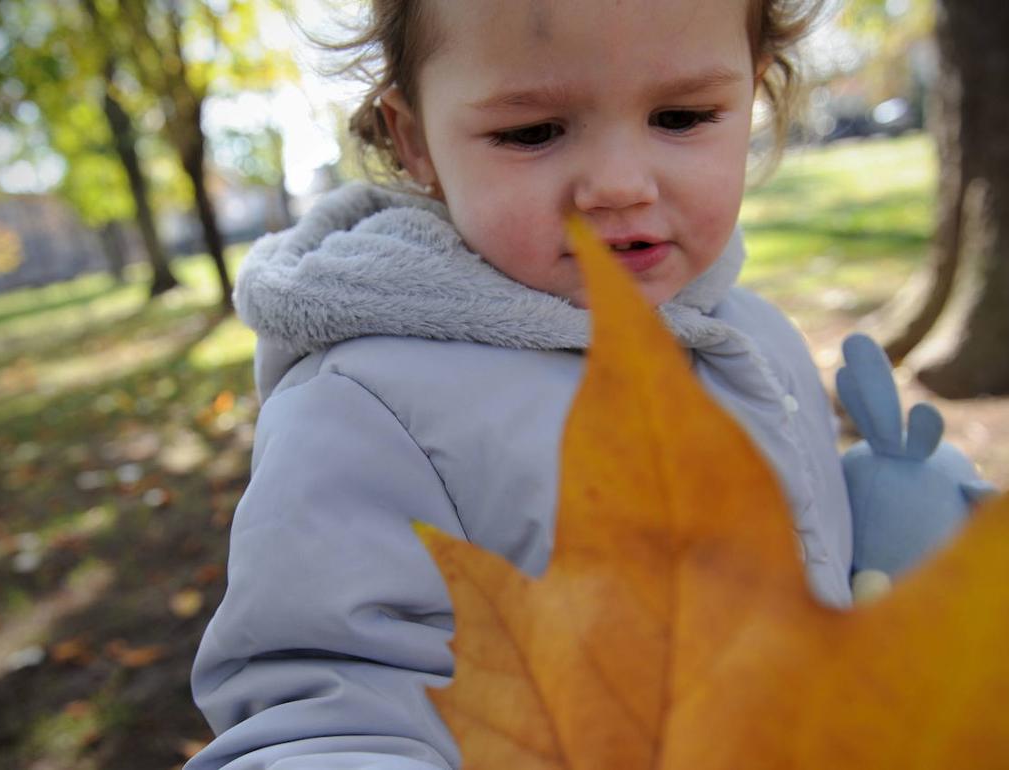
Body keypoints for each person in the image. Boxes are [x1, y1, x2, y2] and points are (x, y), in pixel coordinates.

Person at [188, 0, 855, 767]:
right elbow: (329, 709)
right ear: (416, 141)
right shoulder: (366, 407)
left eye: (681, 116)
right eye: (531, 133)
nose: (618, 184)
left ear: (754, 95)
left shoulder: (756, 339)